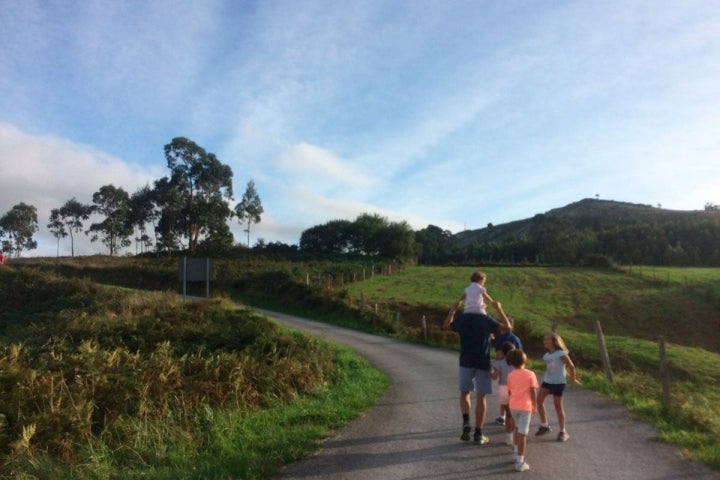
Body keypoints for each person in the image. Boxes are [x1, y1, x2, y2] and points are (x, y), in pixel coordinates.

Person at [443, 295, 512, 446]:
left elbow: (446, 326)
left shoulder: (462, 319)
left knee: (465, 393)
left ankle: (466, 421)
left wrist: (453, 310)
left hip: (465, 361)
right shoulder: (486, 320)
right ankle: (479, 433)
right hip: (482, 362)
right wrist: (498, 308)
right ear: (481, 305)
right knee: (481, 397)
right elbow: (508, 327)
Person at [535, 332, 580, 442]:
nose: (545, 342)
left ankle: (563, 431)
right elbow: (558, 368)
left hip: (558, 383)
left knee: (558, 406)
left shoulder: (560, 353)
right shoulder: (547, 355)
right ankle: (544, 425)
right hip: (547, 381)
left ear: (554, 342)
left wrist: (573, 379)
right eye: (544, 340)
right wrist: (568, 375)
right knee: (539, 400)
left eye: (548, 340)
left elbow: (571, 366)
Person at [506, 349, 538, 472]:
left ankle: (515, 450)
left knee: (517, 428)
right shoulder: (530, 374)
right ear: (525, 360)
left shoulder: (510, 375)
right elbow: (533, 391)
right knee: (523, 433)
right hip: (525, 407)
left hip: (513, 405)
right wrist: (534, 405)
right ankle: (520, 461)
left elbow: (510, 391)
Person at [492, 319, 523, 426]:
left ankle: (503, 416)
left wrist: (496, 366)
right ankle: (515, 417)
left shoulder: (501, 339)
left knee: (504, 400)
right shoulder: (517, 339)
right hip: (516, 376)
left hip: (504, 381)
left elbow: (498, 354)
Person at [490, 341, 516, 445]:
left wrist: (489, 370)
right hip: (515, 388)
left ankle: (509, 436)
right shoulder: (517, 363)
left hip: (503, 388)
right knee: (514, 413)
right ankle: (515, 433)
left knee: (508, 414)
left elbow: (494, 377)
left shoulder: (499, 363)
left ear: (503, 353)